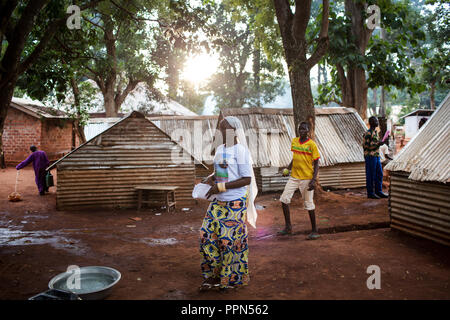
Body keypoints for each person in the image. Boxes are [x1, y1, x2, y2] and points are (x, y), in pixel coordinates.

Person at [199, 116, 257, 292]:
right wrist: (209, 179)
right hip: (219, 201)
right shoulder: (219, 150)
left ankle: (229, 279)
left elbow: (247, 179)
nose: (221, 132)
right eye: (220, 128)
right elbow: (220, 172)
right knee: (206, 236)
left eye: (224, 129)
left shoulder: (241, 151)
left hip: (235, 202)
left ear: (234, 131)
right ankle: (213, 274)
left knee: (229, 242)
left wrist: (221, 186)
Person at [278, 121, 321, 240]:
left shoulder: (312, 145)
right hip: (294, 177)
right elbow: (295, 158)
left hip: (307, 178)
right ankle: (288, 227)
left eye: (304, 129)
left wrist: (313, 180)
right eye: (300, 129)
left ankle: (314, 231)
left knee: (308, 203)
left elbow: (317, 162)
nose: (301, 131)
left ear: (308, 131)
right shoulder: (294, 141)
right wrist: (287, 168)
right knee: (284, 199)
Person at [363, 117, 388, 199]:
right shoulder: (368, 133)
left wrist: (380, 142)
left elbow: (375, 143)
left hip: (376, 156)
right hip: (370, 156)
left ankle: (378, 191)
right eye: (375, 121)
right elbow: (366, 146)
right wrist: (378, 144)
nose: (377, 122)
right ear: (371, 122)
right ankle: (370, 193)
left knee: (379, 174)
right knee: (370, 175)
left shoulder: (376, 132)